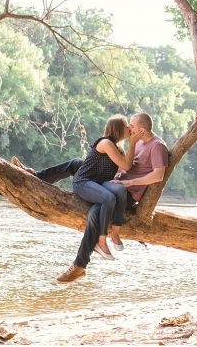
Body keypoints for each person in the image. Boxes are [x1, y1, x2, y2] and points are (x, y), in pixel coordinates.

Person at [56, 112, 168, 284]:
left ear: (142, 130)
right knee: (76, 163)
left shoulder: (157, 146)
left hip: (127, 194)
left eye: (133, 125)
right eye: (128, 125)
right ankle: (36, 175)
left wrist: (131, 182)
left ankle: (79, 265)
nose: (130, 128)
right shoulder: (136, 143)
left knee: (94, 213)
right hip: (114, 185)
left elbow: (158, 175)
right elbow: (126, 165)